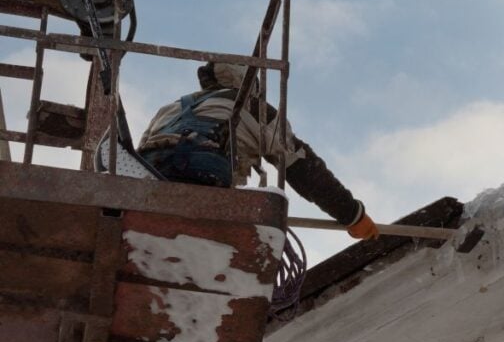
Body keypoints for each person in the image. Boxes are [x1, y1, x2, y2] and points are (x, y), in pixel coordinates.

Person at [138, 61, 379, 240]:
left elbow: (142, 148)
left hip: (148, 181)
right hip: (202, 180)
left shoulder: (170, 108)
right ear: (250, 83)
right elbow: (302, 167)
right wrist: (352, 214)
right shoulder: (253, 108)